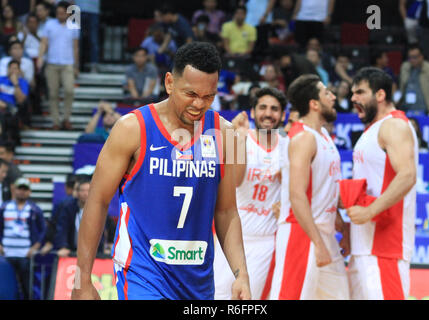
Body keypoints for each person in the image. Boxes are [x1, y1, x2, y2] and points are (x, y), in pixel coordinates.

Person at [71, 42, 251, 300]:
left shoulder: (225, 134)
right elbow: (97, 201)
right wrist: (82, 280)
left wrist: (241, 273)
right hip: (142, 273)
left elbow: (226, 210)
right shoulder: (132, 129)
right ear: (169, 83)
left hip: (197, 279)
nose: (199, 104)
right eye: (190, 94)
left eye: (208, 96)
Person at [270, 74, 350, 300]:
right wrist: (317, 242)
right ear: (314, 104)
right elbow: (297, 196)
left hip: (323, 232)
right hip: (301, 233)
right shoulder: (303, 138)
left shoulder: (323, 134)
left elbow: (326, 189)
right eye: (327, 93)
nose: (333, 96)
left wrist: (341, 226)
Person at [347, 67, 418, 300]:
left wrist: (370, 211)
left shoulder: (394, 125)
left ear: (380, 95)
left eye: (360, 92)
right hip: (364, 246)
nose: (352, 98)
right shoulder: (373, 129)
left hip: (384, 246)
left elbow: (407, 175)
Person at [214, 87, 288, 300]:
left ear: (282, 115)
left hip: (265, 240)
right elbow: (235, 181)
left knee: (249, 299)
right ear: (253, 112)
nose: (268, 113)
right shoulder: (242, 138)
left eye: (274, 109)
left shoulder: (288, 146)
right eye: (263, 107)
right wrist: (240, 140)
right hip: (232, 236)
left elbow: (294, 190)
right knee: (216, 294)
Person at [0, 177, 46, 299]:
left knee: (26, 287)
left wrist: (35, 247)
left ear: (29, 192)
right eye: (20, 189)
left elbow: (43, 230)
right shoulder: (4, 208)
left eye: (25, 189)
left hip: (25, 254)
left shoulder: (34, 209)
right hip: (6, 255)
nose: (22, 192)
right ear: (14, 190)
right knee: (7, 287)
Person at [37, 1, 80, 130]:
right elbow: (44, 43)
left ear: (67, 13)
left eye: (62, 13)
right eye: (58, 13)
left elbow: (76, 47)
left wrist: (76, 65)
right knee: (53, 94)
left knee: (69, 91)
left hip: (68, 64)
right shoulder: (49, 24)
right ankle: (56, 121)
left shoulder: (74, 24)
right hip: (52, 64)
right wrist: (40, 57)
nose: (59, 15)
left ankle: (66, 118)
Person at [54, 176, 103, 257]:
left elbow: (103, 231)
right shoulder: (68, 208)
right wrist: (63, 246)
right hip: (71, 250)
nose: (85, 193)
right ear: (77, 192)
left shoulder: (98, 209)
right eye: (82, 190)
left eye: (88, 190)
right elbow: (62, 229)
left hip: (93, 252)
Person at [399, 44, 429, 115]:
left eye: (414, 57)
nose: (412, 60)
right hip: (406, 110)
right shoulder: (405, 67)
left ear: (421, 56)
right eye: (410, 57)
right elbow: (402, 87)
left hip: (425, 111)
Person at [0, 60, 29, 144]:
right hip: (1, 105)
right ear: (7, 69)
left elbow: (21, 100)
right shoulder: (1, 79)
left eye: (15, 68)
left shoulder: (22, 83)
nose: (13, 71)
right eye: (11, 68)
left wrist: (15, 84)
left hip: (12, 108)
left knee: (4, 117)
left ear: (19, 71)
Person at [74, 0, 100, 72]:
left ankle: (94, 65)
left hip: (93, 10)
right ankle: (75, 64)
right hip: (75, 9)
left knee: (93, 40)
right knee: (76, 39)